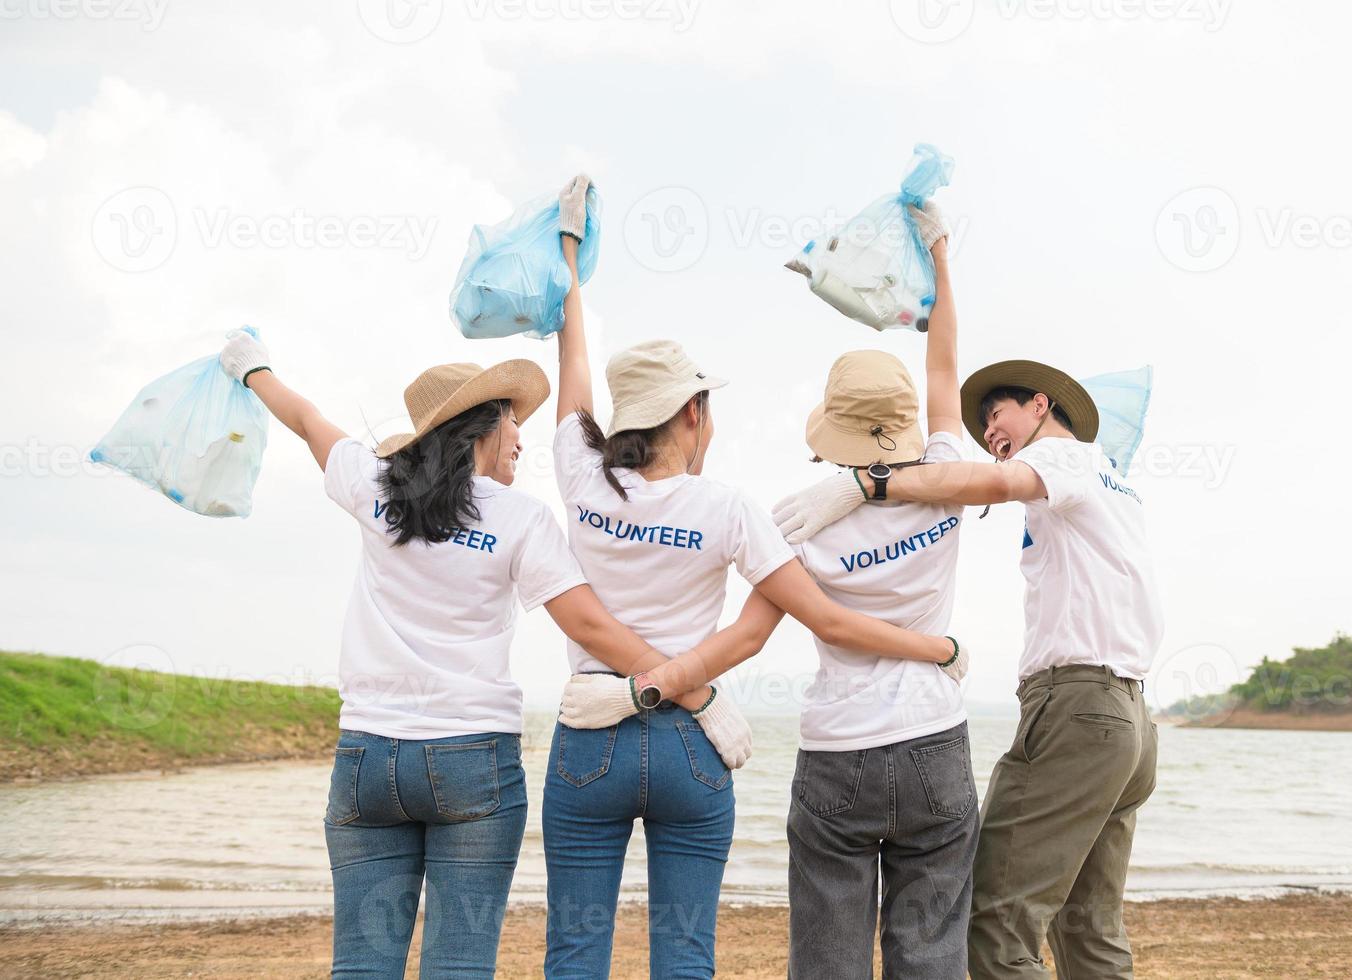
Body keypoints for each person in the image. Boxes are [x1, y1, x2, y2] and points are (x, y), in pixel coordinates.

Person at [543, 176, 967, 980]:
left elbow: (573, 360)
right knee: (686, 953)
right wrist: (940, 256)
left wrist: (568, 253)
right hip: (693, 745)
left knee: (573, 949)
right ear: (695, 414)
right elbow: (763, 628)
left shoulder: (580, 473)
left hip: (591, 730)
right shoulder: (740, 509)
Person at [217, 330, 732, 978]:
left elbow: (304, 418)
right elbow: (594, 631)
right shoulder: (521, 519)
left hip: (367, 757)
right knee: (458, 965)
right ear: (481, 431)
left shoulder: (374, 486)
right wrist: (696, 694)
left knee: (359, 965)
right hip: (471, 759)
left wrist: (250, 367)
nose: (521, 438)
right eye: (513, 422)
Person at [772, 359, 1164, 980]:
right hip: (1130, 716)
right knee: (1088, 925)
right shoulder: (1108, 477)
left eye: (998, 415)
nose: (991, 433)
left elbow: (990, 482)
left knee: (994, 925)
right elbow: (945, 394)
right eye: (980, 426)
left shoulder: (1065, 457)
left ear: (1040, 404)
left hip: (1078, 705)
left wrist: (869, 485)